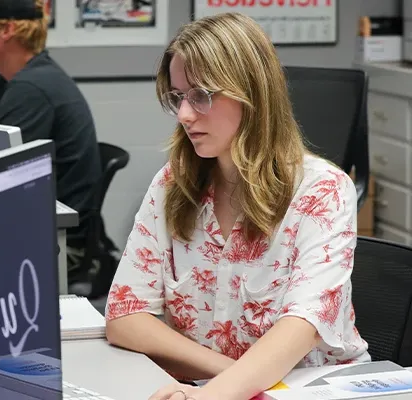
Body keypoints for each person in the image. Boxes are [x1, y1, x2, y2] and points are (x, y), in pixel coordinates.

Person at [104, 12, 371, 400]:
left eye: (201, 96)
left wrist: (212, 394)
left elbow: (300, 326)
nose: (184, 115)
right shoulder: (173, 182)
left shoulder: (323, 191)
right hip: (224, 386)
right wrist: (227, 376)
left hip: (312, 390)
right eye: (179, 97)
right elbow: (125, 317)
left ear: (252, 94)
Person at [0, 0, 103, 282]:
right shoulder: (19, 80)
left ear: (7, 29)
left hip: (60, 245)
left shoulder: (29, 89)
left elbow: (3, 181)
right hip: (47, 230)